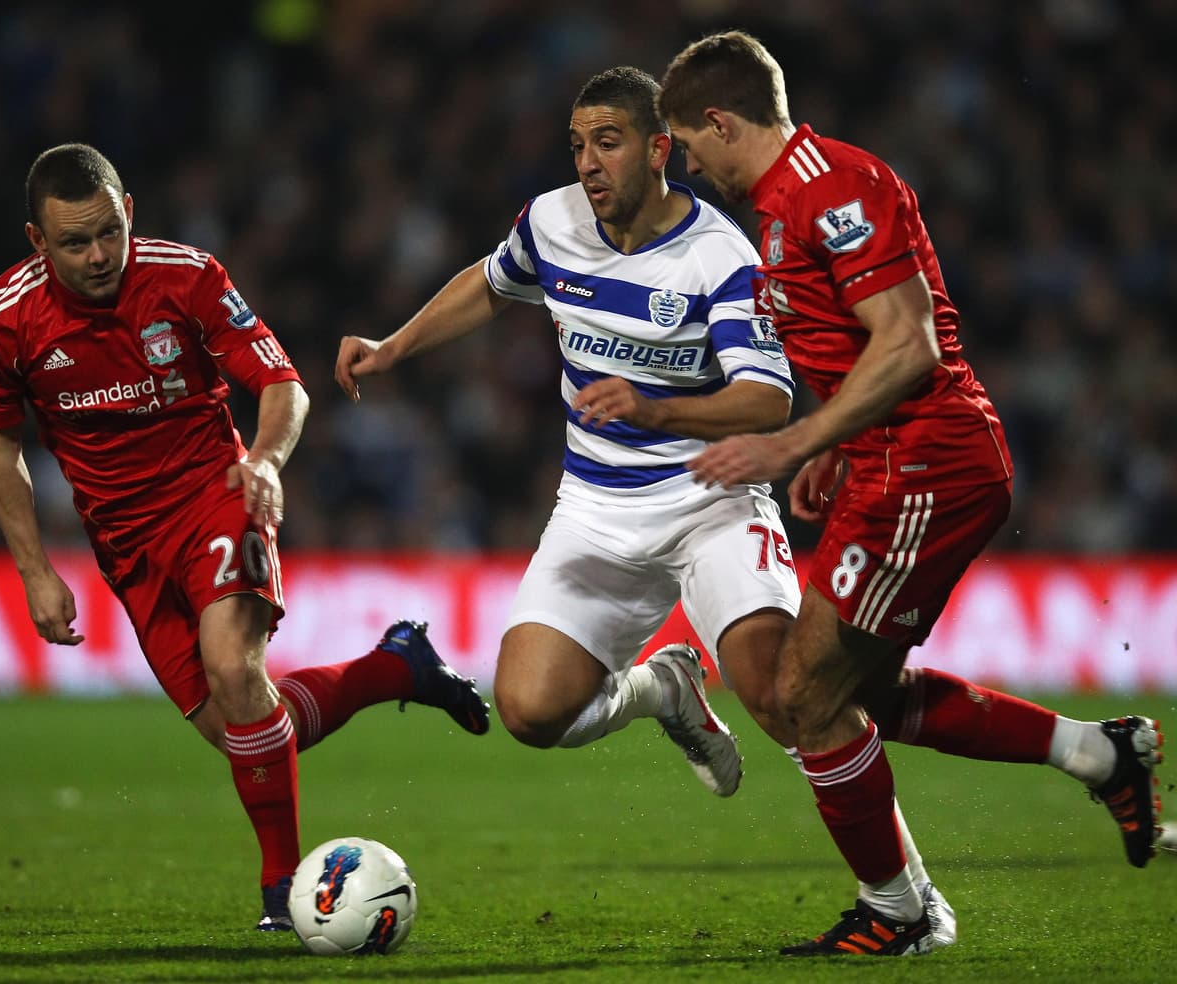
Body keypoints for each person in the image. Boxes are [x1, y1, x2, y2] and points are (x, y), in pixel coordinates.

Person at [335, 66, 960, 947]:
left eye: (609, 142)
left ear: (661, 148)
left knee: (784, 696)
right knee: (529, 713)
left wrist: (653, 406)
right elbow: (493, 281)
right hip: (595, 508)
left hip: (712, 502)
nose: (588, 163)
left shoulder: (720, 257)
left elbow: (767, 399)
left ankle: (909, 899)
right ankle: (662, 688)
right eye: (577, 145)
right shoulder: (550, 222)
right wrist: (396, 345)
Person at [658, 31, 1163, 956]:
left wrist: (799, 438)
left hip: (929, 465)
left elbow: (907, 341)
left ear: (722, 123)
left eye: (690, 145)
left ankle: (899, 913)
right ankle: (1099, 752)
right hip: (888, 463)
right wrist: (837, 442)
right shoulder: (783, 205)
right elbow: (859, 349)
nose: (690, 167)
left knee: (803, 694)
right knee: (859, 695)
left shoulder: (832, 189)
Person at [0, 143, 490, 932]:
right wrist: (36, 571)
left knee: (233, 669)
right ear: (38, 242)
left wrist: (266, 461)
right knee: (246, 729)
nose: (100, 254)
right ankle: (396, 666)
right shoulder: (5, 317)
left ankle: (281, 888)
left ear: (128, 211)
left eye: (109, 232)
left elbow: (282, 382)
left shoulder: (187, 277)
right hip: (126, 544)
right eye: (75, 242)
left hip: (218, 496)